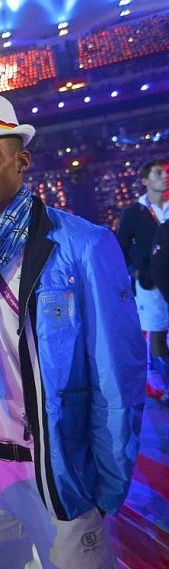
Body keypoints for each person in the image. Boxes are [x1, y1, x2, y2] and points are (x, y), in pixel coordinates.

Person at [0, 94, 144, 569]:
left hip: (56, 461)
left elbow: (119, 372)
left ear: (21, 160)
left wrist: (108, 479)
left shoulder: (83, 244)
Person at [117, 160, 169, 395]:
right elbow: (121, 248)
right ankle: (166, 386)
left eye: (167, 172)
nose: (165, 176)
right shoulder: (133, 212)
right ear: (145, 180)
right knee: (157, 334)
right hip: (150, 285)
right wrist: (136, 268)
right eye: (158, 173)